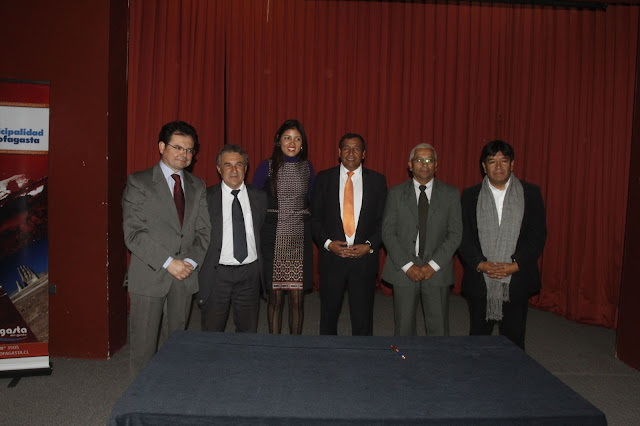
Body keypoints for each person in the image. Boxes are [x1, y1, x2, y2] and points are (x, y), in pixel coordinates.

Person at [122, 120, 211, 375]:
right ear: (162, 147)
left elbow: (204, 232)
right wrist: (169, 263)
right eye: (178, 147)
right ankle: (141, 396)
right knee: (144, 348)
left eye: (189, 150)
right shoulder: (139, 182)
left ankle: (171, 392)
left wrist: (189, 263)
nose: (184, 154)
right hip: (149, 275)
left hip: (184, 276)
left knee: (177, 345)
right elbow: (133, 234)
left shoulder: (197, 186)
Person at [458, 140, 547, 349]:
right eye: (492, 161)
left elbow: (538, 235)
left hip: (517, 279)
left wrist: (515, 265)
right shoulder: (470, 196)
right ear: (484, 166)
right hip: (481, 279)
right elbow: (463, 235)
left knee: (514, 339)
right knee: (479, 339)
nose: (498, 167)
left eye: (503, 161)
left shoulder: (530, 193)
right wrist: (481, 264)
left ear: (512, 164)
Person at [381, 143, 462, 336]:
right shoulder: (396, 193)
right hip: (404, 268)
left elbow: (455, 234)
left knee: (438, 328)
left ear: (436, 165)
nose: (424, 164)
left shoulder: (451, 194)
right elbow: (388, 233)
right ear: (410, 165)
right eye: (419, 160)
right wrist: (407, 266)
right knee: (404, 328)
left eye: (429, 160)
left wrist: (432, 266)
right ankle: (405, 357)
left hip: (437, 269)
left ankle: (437, 357)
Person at [311, 133, 387, 335]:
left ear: (364, 154)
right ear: (339, 152)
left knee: (363, 320)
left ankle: (362, 353)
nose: (351, 153)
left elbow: (384, 222)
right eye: (346, 148)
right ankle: (328, 353)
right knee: (328, 318)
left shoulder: (378, 181)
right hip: (331, 259)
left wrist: (369, 246)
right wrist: (328, 244)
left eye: (356, 149)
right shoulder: (324, 179)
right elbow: (314, 219)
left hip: (364, 261)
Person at [252, 119, 315, 334]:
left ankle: (294, 344)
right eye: (287, 138)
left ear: (302, 144)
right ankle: (274, 344)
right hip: (273, 237)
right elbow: (254, 200)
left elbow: (313, 200)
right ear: (278, 141)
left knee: (297, 300)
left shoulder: (307, 168)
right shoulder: (266, 166)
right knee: (275, 298)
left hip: (298, 237)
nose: (292, 143)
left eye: (297, 139)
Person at [198, 144, 267, 333]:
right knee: (212, 332)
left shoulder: (260, 197)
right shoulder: (205, 198)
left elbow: (263, 231)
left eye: (239, 164)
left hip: (250, 274)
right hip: (217, 274)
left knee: (248, 332)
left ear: (246, 168)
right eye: (228, 165)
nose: (234, 170)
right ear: (219, 169)